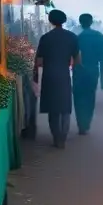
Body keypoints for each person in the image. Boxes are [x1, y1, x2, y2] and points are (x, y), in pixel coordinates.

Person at [34, 9, 79, 148]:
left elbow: (39, 61)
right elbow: (77, 59)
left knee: (53, 108)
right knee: (65, 107)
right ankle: (63, 137)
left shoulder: (45, 38)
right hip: (64, 75)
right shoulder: (72, 37)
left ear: (50, 20)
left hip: (49, 76)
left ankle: (56, 137)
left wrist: (36, 75)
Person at [73, 13, 103, 135]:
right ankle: (87, 122)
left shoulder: (77, 38)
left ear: (80, 23)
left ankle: (81, 124)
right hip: (93, 70)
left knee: (78, 97)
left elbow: (72, 56)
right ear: (91, 22)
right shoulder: (98, 36)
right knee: (90, 96)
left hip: (79, 70)